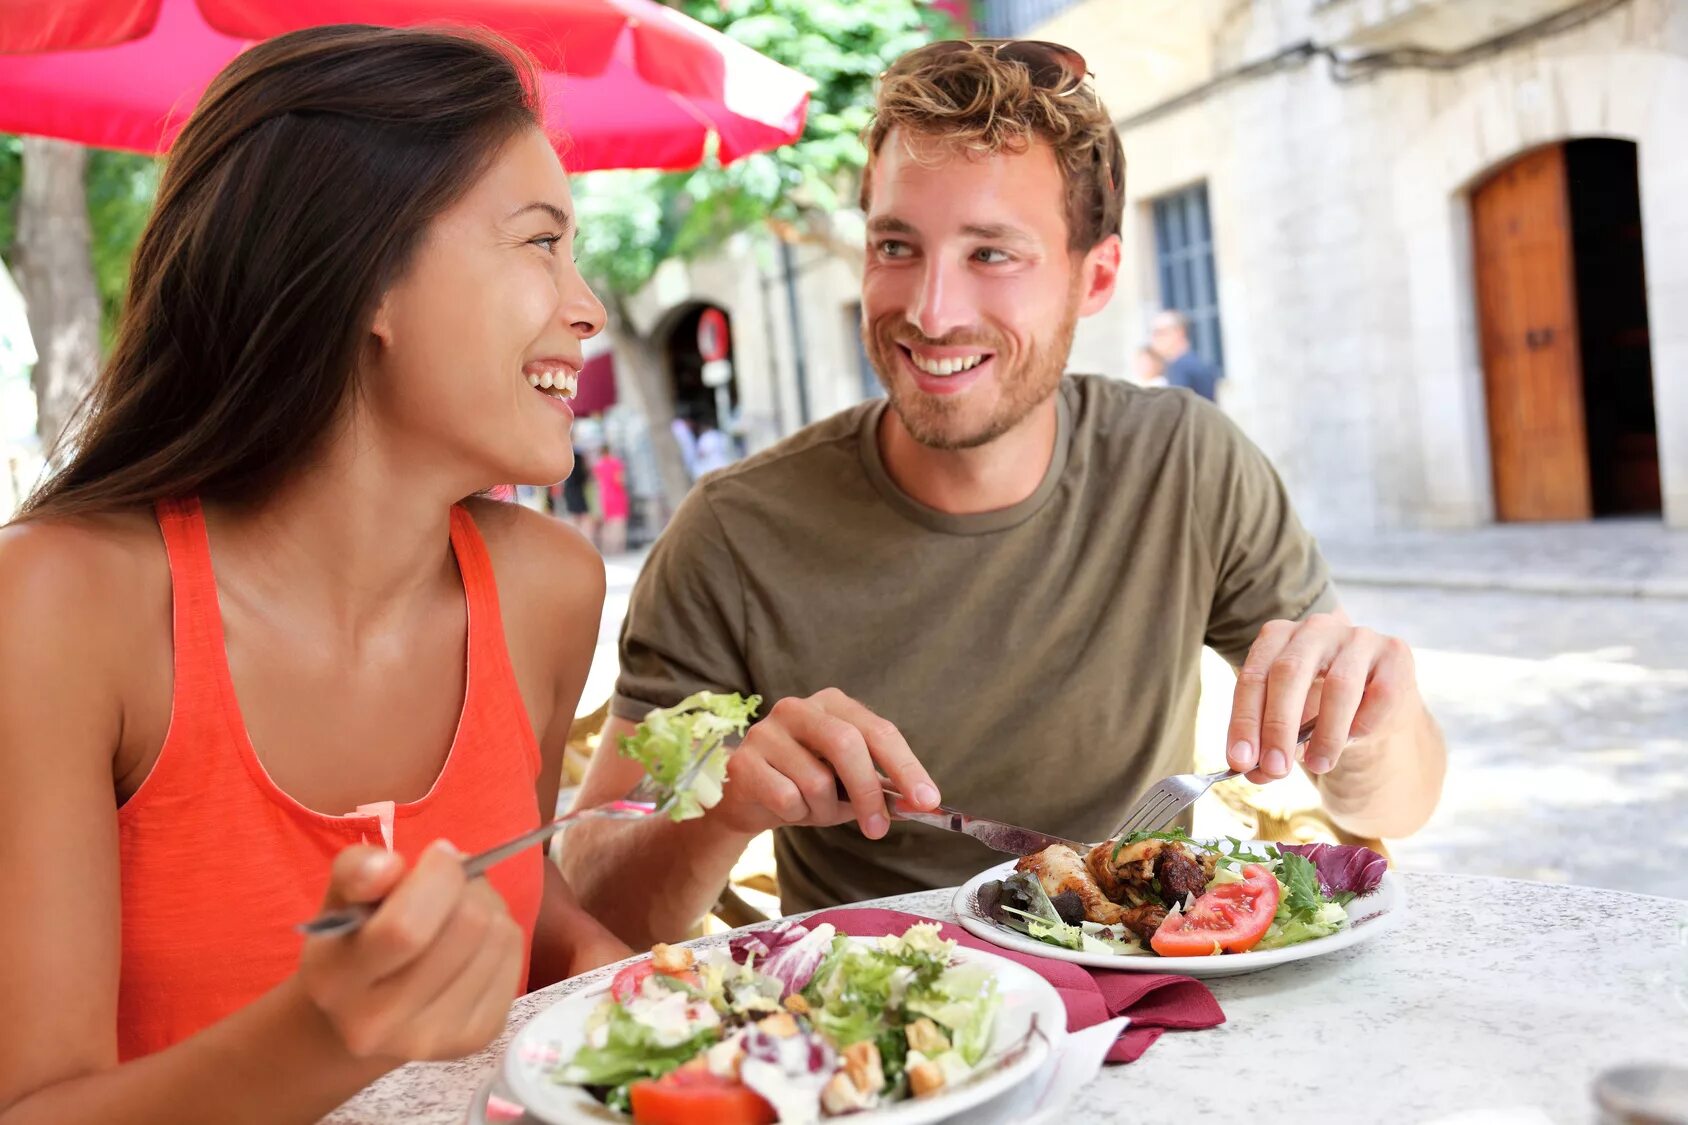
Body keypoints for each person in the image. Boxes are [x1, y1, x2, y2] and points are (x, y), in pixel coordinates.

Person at [564, 38, 1446, 948]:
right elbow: (588, 908)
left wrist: (1376, 723)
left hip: (1145, 1008)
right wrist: (723, 807)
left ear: (1094, 276)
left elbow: (1403, 804)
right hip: (875, 1043)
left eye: (992, 254)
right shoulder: (733, 532)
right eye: (896, 246)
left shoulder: (1185, 463)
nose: (932, 310)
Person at [0, 26, 630, 1121]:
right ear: (361, 276)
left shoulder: (549, 591)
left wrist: (628, 974)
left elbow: (525, 910)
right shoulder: (60, 610)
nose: (588, 309)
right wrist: (319, 1037)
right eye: (540, 243)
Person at [1151, 309, 1221, 402]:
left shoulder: (1180, 367)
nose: (1155, 338)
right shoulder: (1196, 362)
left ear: (1179, 332)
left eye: (1160, 332)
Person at [591, 445, 629, 554]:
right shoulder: (616, 463)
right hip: (617, 495)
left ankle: (608, 548)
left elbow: (597, 483)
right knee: (619, 523)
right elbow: (619, 480)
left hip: (604, 497)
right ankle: (619, 549)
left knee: (608, 524)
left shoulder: (598, 465)